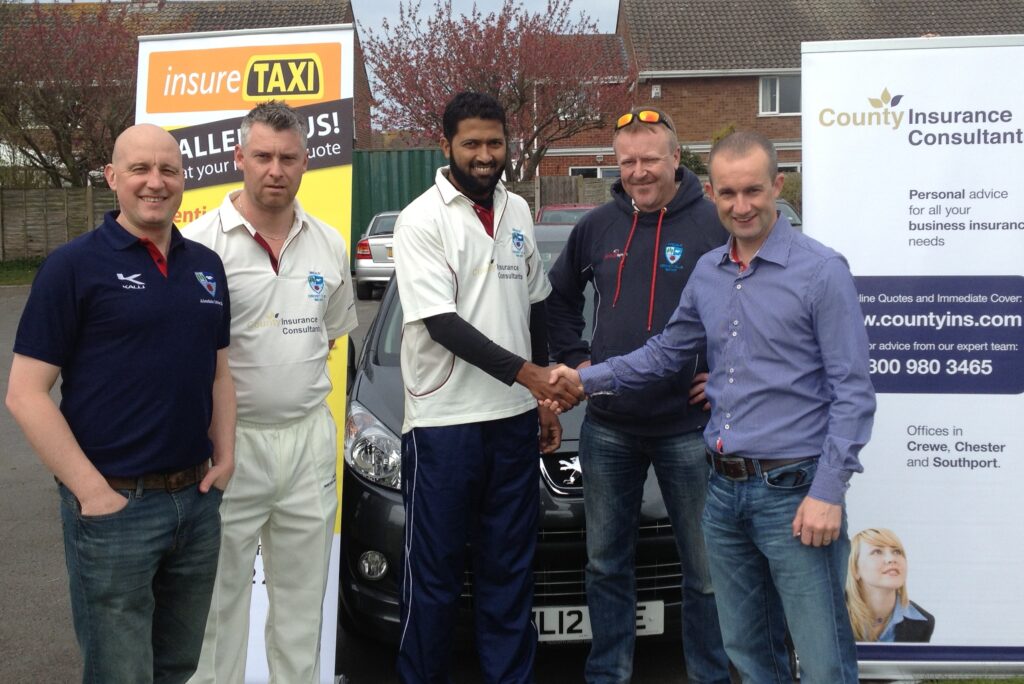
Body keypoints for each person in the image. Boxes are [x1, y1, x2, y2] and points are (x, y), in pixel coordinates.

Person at [548, 130, 876, 683]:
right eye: (728, 194)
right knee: (749, 654)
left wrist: (828, 491)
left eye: (753, 191)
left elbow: (853, 392)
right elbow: (662, 354)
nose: (741, 206)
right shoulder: (710, 272)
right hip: (722, 494)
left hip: (792, 495)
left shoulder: (821, 272)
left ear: (778, 184)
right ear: (712, 191)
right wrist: (584, 378)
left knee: (821, 660)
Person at [5, 124, 235, 684]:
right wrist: (91, 493)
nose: (155, 183)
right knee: (120, 672)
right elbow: (25, 393)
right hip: (115, 509)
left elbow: (219, 372)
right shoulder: (72, 266)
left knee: (177, 665)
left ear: (184, 180)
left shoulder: (206, 266)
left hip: (196, 501)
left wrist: (225, 458)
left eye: (168, 170)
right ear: (112, 178)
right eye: (139, 169)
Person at [391, 91, 580, 684]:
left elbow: (538, 309)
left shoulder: (519, 210)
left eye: (494, 142)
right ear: (447, 144)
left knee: (508, 571)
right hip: (443, 423)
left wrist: (543, 401)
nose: (484, 154)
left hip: (511, 422)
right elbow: (442, 323)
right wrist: (531, 376)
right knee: (436, 577)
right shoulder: (421, 218)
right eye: (471, 143)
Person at [545, 106, 730, 683]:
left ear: (677, 158)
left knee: (704, 572)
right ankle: (609, 673)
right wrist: (577, 360)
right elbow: (557, 300)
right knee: (605, 564)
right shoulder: (596, 227)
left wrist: (727, 375)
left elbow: (757, 306)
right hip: (610, 426)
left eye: (650, 159)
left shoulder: (715, 223)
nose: (639, 172)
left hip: (688, 428)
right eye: (627, 161)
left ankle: (707, 674)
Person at [182, 101, 357, 684]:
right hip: (230, 448)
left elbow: (330, 337)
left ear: (306, 163)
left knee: (303, 608)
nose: (274, 169)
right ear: (239, 159)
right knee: (216, 607)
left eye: (287, 157)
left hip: (308, 443)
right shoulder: (197, 246)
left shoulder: (329, 243)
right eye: (262, 156)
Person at [846, 528, 934, 643]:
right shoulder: (828, 616)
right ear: (855, 569)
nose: (891, 559)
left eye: (897, 552)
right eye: (877, 551)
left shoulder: (923, 622)